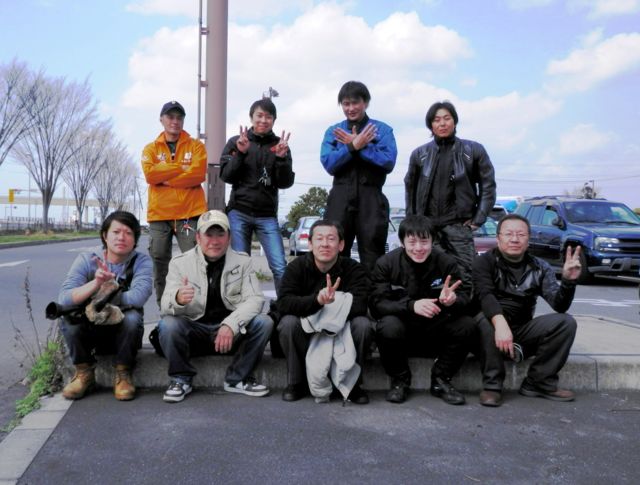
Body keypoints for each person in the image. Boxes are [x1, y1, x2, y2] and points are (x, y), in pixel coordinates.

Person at [156, 210, 272, 403]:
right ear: (198, 238)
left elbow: (255, 300)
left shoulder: (243, 262)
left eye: (220, 234)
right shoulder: (179, 263)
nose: (215, 241)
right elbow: (165, 305)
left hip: (231, 335)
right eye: (209, 234)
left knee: (264, 322)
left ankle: (237, 378)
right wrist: (178, 298)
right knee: (168, 324)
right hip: (195, 331)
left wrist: (231, 325)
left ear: (229, 237)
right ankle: (181, 379)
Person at [473, 213, 580, 407]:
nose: (515, 239)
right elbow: (485, 295)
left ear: (528, 239)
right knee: (483, 319)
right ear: (498, 238)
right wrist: (500, 324)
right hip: (488, 331)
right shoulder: (484, 262)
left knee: (566, 322)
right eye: (509, 234)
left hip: (521, 330)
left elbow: (560, 306)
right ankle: (492, 386)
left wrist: (568, 281)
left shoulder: (540, 267)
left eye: (521, 234)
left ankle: (538, 382)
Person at [369, 215, 477, 405]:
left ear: (432, 240)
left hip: (436, 329)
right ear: (402, 242)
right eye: (412, 242)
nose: (418, 248)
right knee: (387, 325)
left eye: (424, 241)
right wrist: (411, 306)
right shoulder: (386, 263)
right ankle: (400, 380)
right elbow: (377, 305)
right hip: (402, 332)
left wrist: (452, 301)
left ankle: (441, 378)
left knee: (467, 325)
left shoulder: (447, 263)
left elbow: (465, 298)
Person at [58, 211, 153, 401]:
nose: (121, 237)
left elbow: (138, 297)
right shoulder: (87, 260)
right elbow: (65, 298)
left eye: (128, 233)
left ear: (135, 239)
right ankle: (84, 373)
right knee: (67, 318)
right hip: (91, 331)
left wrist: (107, 292)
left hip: (124, 333)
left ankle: (123, 374)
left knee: (132, 317)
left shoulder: (141, 262)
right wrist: (96, 283)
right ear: (105, 235)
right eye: (116, 232)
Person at [276, 219, 373, 403]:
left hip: (340, 331)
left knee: (363, 325)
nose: (325, 244)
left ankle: (353, 385)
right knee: (288, 324)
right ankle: (296, 383)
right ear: (310, 244)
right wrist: (317, 301)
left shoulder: (353, 269)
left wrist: (328, 310)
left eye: (331, 238)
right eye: (319, 239)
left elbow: (361, 304)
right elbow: (284, 303)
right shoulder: (296, 267)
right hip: (306, 329)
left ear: (341, 244)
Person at [405, 100, 496, 290]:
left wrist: (478, 219)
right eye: (437, 120)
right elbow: (410, 188)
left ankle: (466, 308)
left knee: (465, 277)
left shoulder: (473, 150)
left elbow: (488, 185)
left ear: (454, 121)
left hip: (459, 226)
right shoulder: (419, 154)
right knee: (427, 277)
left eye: (447, 118)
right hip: (428, 227)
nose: (442, 123)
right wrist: (413, 221)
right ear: (431, 125)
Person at [320, 81, 397, 273]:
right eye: (346, 104)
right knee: (335, 252)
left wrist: (364, 147)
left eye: (355, 103)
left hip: (371, 197)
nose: (351, 108)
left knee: (373, 255)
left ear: (366, 103)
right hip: (340, 197)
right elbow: (329, 163)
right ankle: (337, 292)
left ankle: (373, 293)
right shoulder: (333, 131)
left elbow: (388, 161)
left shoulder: (383, 130)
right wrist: (351, 147)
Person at [220, 97, 294, 293]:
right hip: (239, 212)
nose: (263, 120)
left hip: (267, 215)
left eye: (268, 117)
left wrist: (281, 159)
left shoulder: (280, 145)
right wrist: (241, 153)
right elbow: (226, 176)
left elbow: (285, 182)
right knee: (239, 266)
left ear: (274, 120)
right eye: (259, 116)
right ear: (251, 117)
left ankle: (284, 307)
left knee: (280, 266)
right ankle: (239, 306)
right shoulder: (236, 142)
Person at [141, 100, 207, 306]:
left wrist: (166, 176)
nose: (175, 121)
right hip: (159, 215)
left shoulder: (196, 146)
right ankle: (165, 306)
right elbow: (150, 175)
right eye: (170, 117)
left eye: (179, 117)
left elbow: (198, 174)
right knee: (159, 259)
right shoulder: (150, 148)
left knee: (193, 260)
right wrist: (181, 167)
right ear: (161, 119)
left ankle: (195, 307)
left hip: (189, 214)